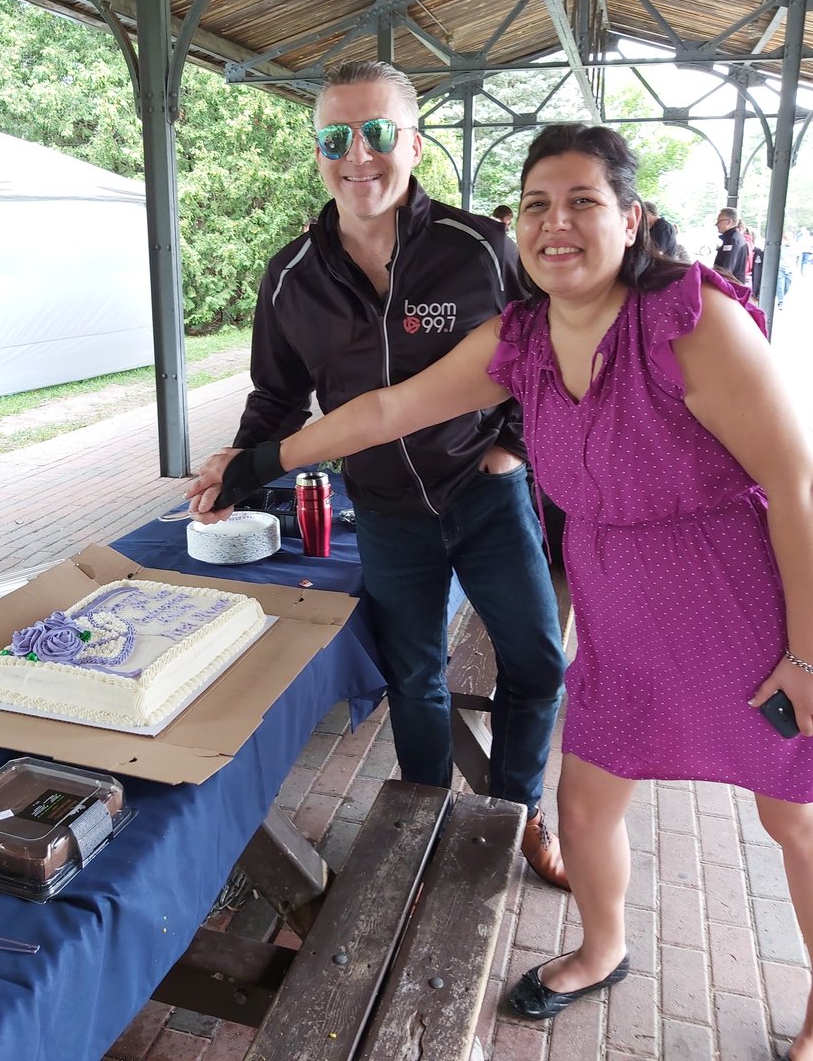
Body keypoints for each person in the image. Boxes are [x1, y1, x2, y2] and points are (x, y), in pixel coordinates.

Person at [188, 122, 813, 1060]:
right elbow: (388, 408)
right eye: (536, 205)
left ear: (631, 219)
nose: (555, 223)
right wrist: (259, 461)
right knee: (588, 804)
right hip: (619, 618)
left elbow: (797, 486)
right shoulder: (518, 337)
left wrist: (806, 654)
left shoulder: (689, 319)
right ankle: (604, 948)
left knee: (791, 818)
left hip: (739, 610)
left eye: (583, 202)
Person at [188, 59, 569, 889]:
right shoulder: (290, 276)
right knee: (414, 675)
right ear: (317, 153)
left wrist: (513, 449)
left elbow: (536, 358)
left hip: (486, 492)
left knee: (537, 661)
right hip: (388, 511)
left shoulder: (479, 247)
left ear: (414, 143)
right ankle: (422, 817)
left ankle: (518, 814)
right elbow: (278, 397)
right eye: (334, 138)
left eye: (376, 133)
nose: (357, 155)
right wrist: (235, 474)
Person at [714, 207, 749, 281]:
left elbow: (726, 270)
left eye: (719, 221)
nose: (716, 224)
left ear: (729, 222)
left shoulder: (732, 241)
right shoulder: (735, 237)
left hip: (731, 286)